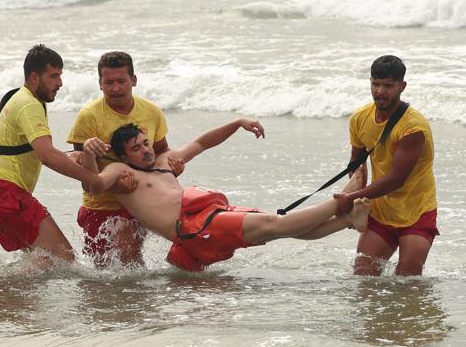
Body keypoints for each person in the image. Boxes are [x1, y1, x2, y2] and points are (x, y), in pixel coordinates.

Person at [93, 121, 368, 271]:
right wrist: (91, 157)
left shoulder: (165, 162)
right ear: (123, 155)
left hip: (205, 221)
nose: (145, 150)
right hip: (194, 230)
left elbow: (201, 143)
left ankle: (348, 221)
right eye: (136, 149)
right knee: (275, 224)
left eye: (145, 143)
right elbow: (93, 184)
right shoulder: (121, 171)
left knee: (277, 230)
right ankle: (341, 200)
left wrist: (237, 124)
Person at [0, 44, 103, 263]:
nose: (60, 83)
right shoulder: (29, 104)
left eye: (60, 76)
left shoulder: (20, 98)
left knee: (44, 260)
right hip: (4, 193)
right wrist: (93, 179)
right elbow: (47, 155)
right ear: (34, 77)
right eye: (53, 76)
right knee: (64, 258)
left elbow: (37, 151)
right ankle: (0, 290)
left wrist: (71, 157)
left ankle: (4, 294)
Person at [333, 55, 438, 276]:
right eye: (375, 84)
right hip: (381, 210)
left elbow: (397, 179)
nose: (380, 91)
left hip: (416, 211)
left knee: (408, 282)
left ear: (402, 86)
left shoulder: (413, 127)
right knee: (363, 277)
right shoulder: (360, 118)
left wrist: (351, 198)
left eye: (388, 86)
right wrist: (357, 200)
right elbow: (357, 164)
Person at [67, 51, 170, 266]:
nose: (115, 88)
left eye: (121, 81)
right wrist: (87, 152)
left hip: (137, 199)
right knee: (102, 270)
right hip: (100, 204)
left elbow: (162, 152)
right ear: (100, 84)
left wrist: (173, 168)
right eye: (109, 82)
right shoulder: (89, 116)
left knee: (131, 257)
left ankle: (139, 299)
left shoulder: (151, 112)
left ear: (133, 80)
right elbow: (80, 168)